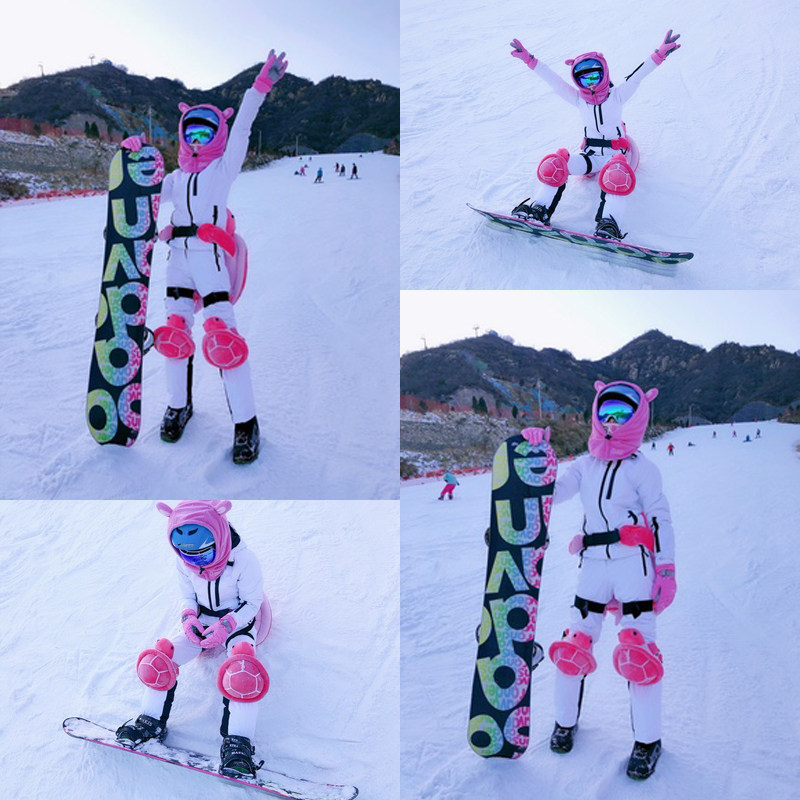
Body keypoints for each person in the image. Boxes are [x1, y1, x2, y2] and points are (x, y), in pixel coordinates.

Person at [120, 50, 288, 464]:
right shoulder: (175, 179)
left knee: (223, 337)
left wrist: (260, 87)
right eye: (190, 133)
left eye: (205, 133)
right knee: (174, 336)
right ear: (182, 136)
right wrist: (132, 159)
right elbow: (143, 193)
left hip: (210, 262)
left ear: (217, 137)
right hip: (177, 261)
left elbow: (243, 126)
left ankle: (246, 423)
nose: (196, 141)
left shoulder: (222, 170)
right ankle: (178, 405)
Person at [523, 380, 676, 780]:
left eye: (622, 414)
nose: (611, 421)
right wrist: (536, 455)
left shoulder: (643, 469)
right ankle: (565, 722)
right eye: (606, 411)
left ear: (638, 417)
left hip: (633, 566)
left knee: (639, 651)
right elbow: (552, 492)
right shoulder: (584, 465)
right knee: (574, 645)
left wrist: (666, 568)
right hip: (592, 563)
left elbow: (659, 518)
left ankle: (648, 741)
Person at [115, 501, 271, 778]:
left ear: (218, 537)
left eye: (203, 553)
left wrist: (227, 624)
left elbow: (252, 603)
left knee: (242, 674)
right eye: (187, 554)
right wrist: (189, 617)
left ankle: (238, 744)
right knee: (158, 661)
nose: (197, 561)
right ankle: (151, 721)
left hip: (237, 622)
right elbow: (188, 596)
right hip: (203, 621)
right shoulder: (183, 562)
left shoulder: (245, 560)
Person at [508, 31, 681, 240]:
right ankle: (539, 210)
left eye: (594, 77)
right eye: (583, 79)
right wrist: (529, 60)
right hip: (590, 157)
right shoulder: (579, 99)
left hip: (616, 157)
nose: (590, 83)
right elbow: (554, 81)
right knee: (555, 164)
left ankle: (609, 224)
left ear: (604, 74)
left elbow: (638, 76)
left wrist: (659, 54)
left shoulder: (617, 96)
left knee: (617, 175)